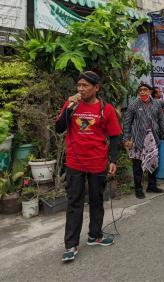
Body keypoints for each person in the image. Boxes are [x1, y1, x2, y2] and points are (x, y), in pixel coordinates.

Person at [55, 71, 122, 263]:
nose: (81, 89)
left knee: (96, 199)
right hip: (75, 163)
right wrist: (69, 109)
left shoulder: (105, 109)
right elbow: (59, 128)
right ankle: (71, 245)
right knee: (74, 202)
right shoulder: (71, 105)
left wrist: (113, 160)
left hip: (97, 162)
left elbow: (115, 136)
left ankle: (95, 235)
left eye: (85, 86)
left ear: (96, 88)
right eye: (79, 86)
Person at [123, 83, 164, 199]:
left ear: (150, 91)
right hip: (137, 138)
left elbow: (161, 120)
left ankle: (151, 186)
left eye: (145, 90)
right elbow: (127, 123)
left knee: (153, 162)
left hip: (153, 138)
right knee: (137, 165)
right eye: (140, 90)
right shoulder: (133, 105)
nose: (142, 92)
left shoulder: (156, 103)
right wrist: (126, 138)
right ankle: (138, 189)